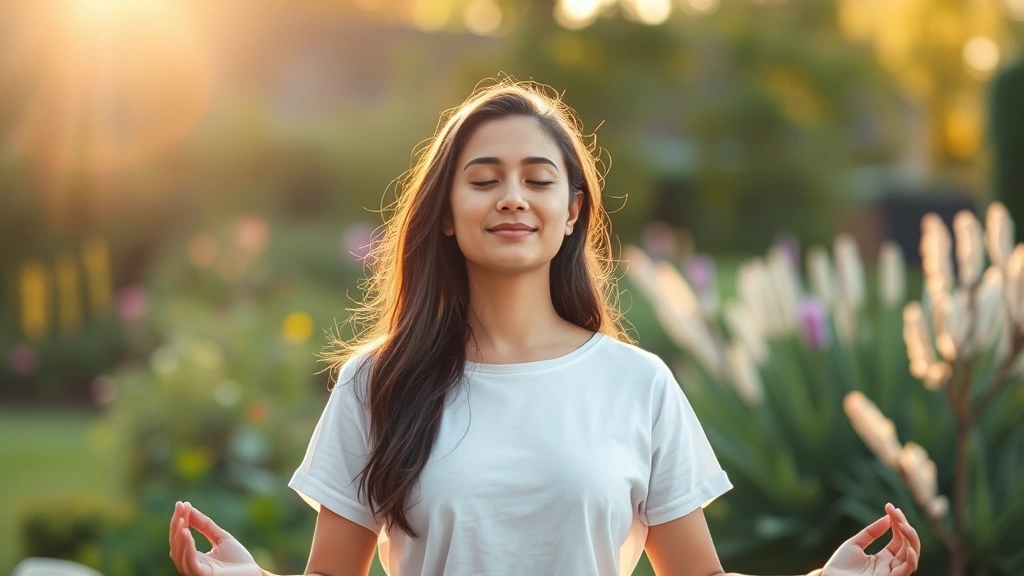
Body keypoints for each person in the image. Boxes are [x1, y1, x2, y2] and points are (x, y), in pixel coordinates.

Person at [167, 80, 921, 576]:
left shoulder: (639, 384)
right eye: (484, 178)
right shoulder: (378, 383)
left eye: (537, 178)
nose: (512, 198)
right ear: (448, 217)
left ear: (571, 216)